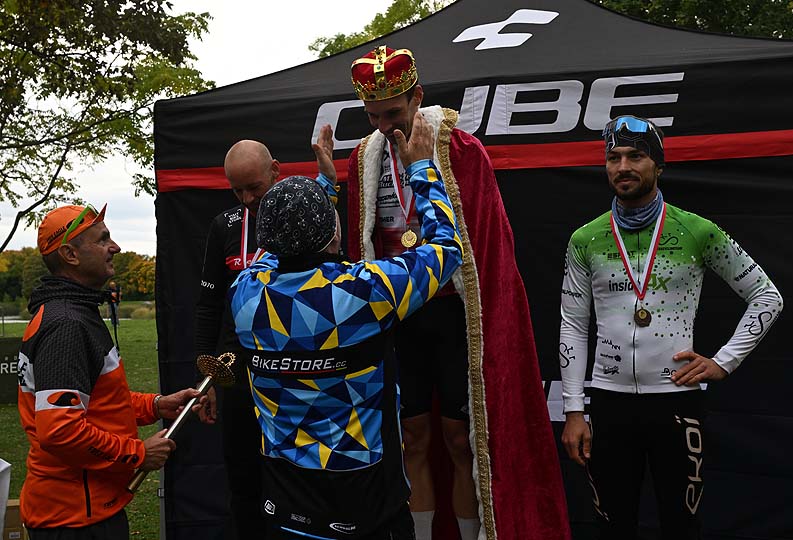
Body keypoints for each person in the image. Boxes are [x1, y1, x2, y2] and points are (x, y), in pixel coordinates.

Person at [347, 45, 569, 539]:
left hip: (454, 315)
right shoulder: (364, 157)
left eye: (393, 113)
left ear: (417, 98)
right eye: (372, 115)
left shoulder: (462, 150)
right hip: (399, 315)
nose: (383, 125)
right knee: (411, 437)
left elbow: (490, 248)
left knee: (460, 439)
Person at [229, 113, 462, 539]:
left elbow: (276, 247)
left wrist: (321, 187)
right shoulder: (364, 293)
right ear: (332, 234)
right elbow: (447, 248)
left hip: (284, 505)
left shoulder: (244, 294)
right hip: (366, 506)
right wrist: (421, 169)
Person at [559, 115, 784, 539]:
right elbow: (573, 324)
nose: (623, 167)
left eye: (635, 156)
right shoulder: (585, 239)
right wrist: (573, 410)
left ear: (658, 165)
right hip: (608, 401)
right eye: (613, 158)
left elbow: (767, 296)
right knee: (612, 526)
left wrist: (724, 362)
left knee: (681, 526)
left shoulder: (696, 230)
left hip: (676, 400)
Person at [17, 204, 209, 539]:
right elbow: (60, 430)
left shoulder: (75, 313)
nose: (115, 247)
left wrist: (156, 405)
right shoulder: (66, 324)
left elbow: (94, 401)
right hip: (73, 519)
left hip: (84, 512)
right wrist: (137, 454)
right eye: (103, 239)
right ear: (70, 255)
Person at [194, 132, 336, 537]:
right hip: (238, 373)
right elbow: (208, 305)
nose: (247, 199)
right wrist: (206, 378)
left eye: (253, 187)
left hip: (294, 370)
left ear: (275, 171)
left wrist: (328, 180)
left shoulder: (305, 212)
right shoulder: (225, 226)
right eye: (237, 190)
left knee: (302, 474)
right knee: (243, 478)